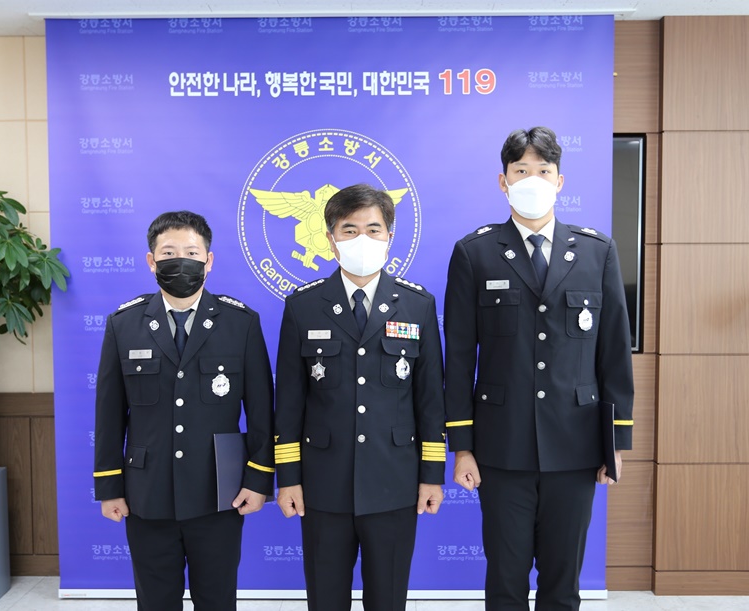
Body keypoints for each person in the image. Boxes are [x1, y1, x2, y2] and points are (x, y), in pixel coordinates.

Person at [444, 127, 634, 611]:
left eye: (543, 171)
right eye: (521, 170)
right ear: (503, 181)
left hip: (576, 446)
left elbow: (613, 353)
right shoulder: (474, 252)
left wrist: (616, 443)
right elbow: (459, 358)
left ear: (560, 181)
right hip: (501, 448)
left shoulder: (597, 251)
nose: (533, 180)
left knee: (562, 585)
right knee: (505, 584)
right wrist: (462, 447)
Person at [274, 184, 446, 611]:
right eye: (349, 230)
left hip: (394, 483)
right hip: (323, 485)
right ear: (330, 239)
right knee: (325, 600)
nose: (362, 239)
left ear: (390, 236)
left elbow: (430, 400)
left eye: (373, 229)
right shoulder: (302, 306)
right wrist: (289, 478)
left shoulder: (417, 305)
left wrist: (432, 475)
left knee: (388, 600)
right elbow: (289, 403)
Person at [93, 210, 275, 611]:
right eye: (169, 253)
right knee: (155, 602)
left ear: (209, 261)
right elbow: (108, 415)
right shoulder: (124, 324)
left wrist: (259, 479)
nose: (181, 261)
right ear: (151, 261)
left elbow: (262, 411)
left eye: (191, 253)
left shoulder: (241, 323)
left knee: (217, 599)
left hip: (220, 492)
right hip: (147, 494)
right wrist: (109, 487)